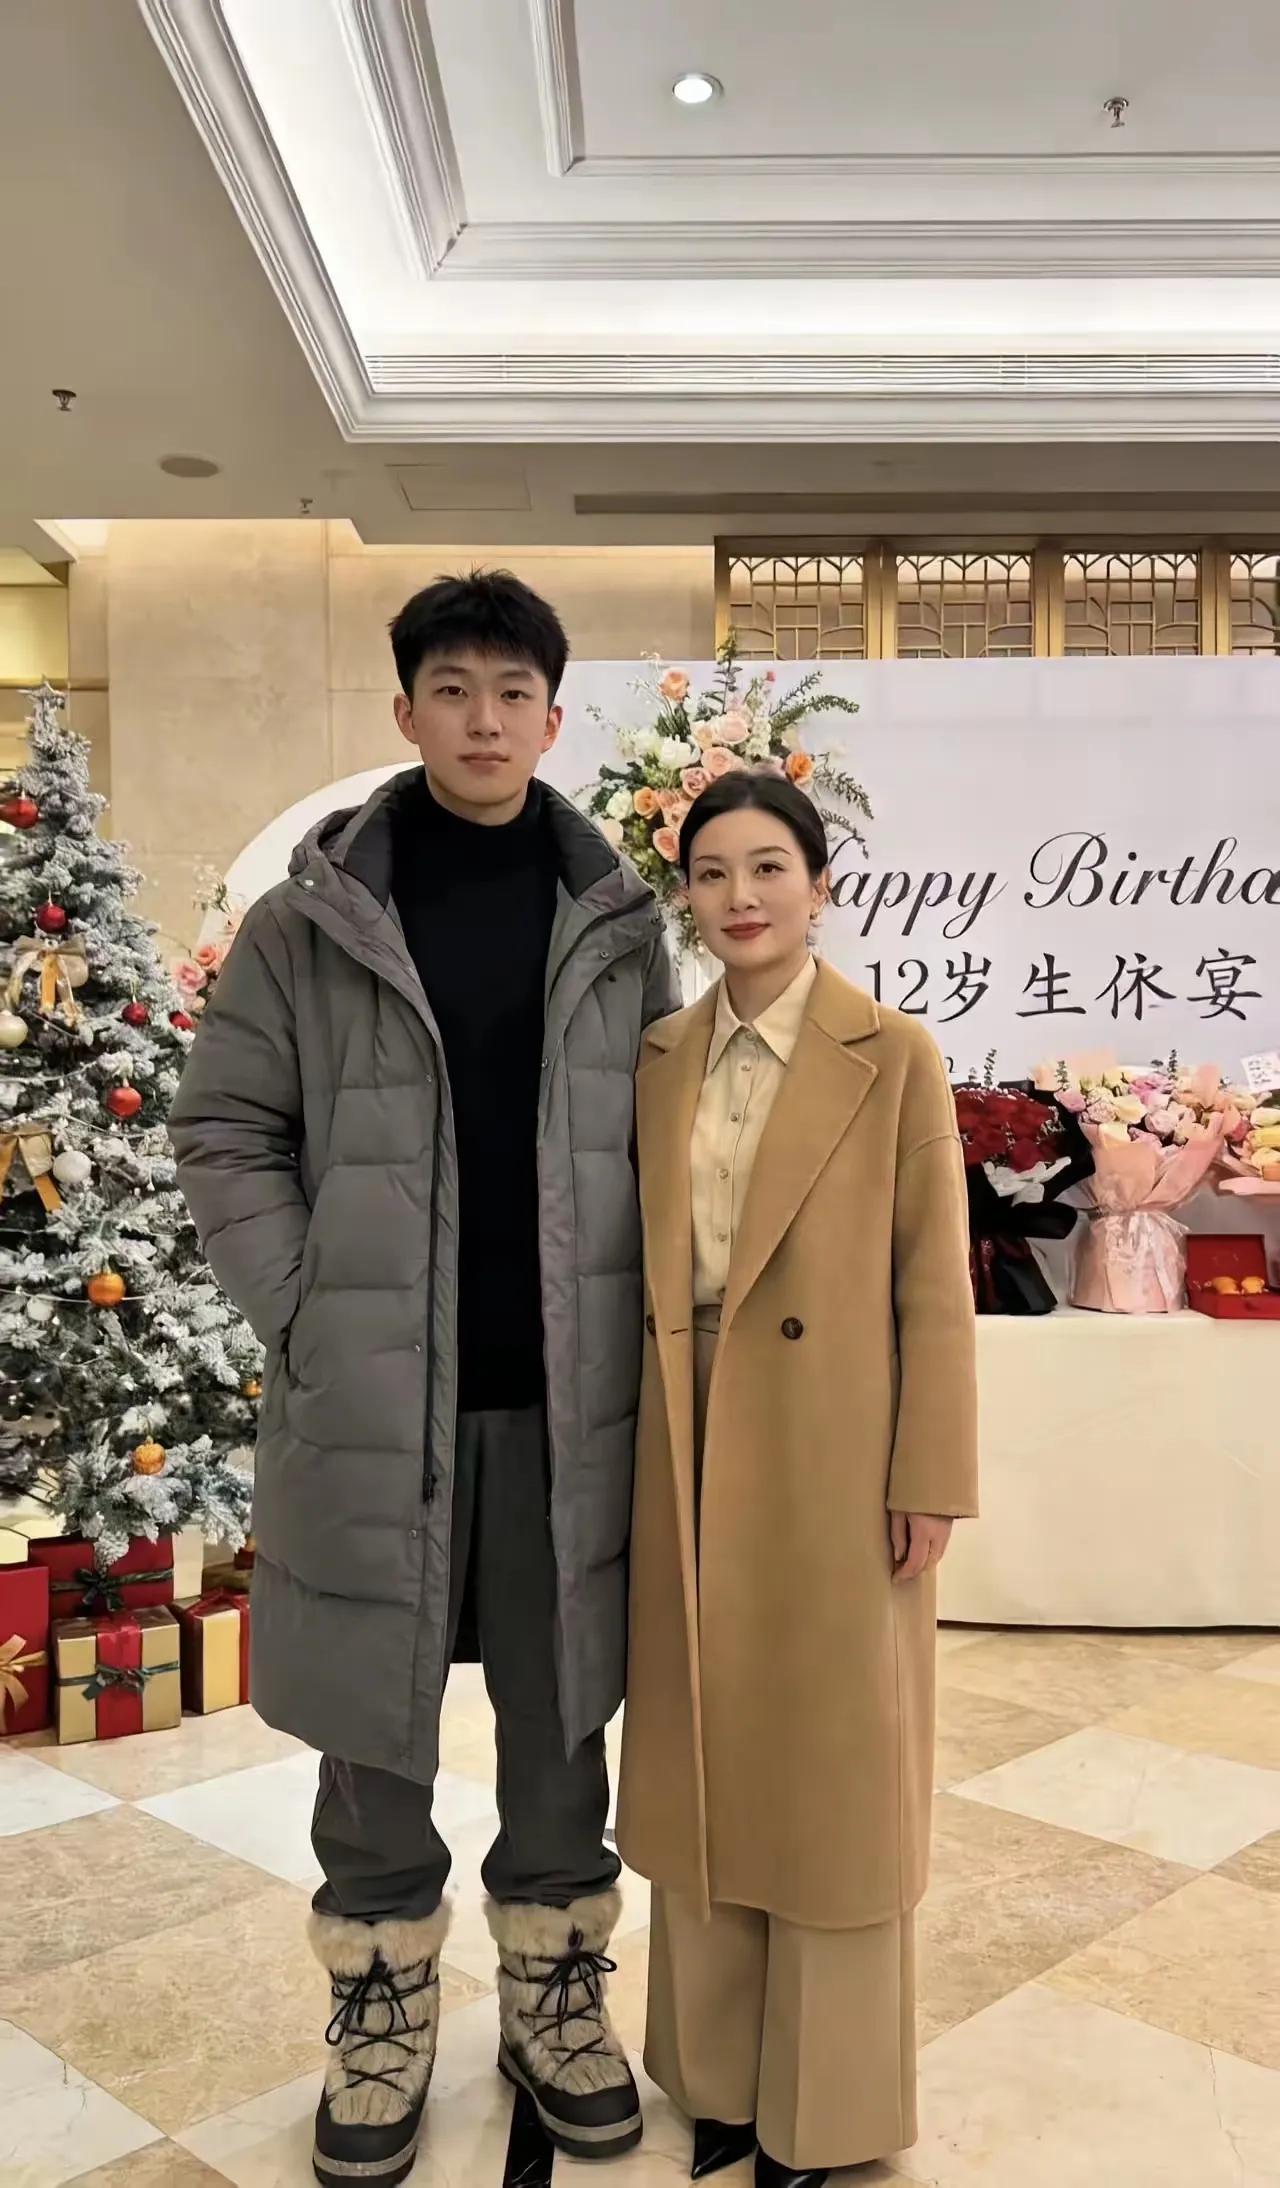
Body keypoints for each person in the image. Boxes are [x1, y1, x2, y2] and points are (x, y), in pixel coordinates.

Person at [170, 571, 678, 2188]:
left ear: (552, 716)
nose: (483, 719)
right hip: (374, 1391)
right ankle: (379, 2007)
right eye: (451, 689)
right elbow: (224, 1126)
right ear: (405, 713)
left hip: (567, 1399)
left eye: (512, 692)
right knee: (368, 1723)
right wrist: (305, 1307)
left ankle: (555, 1994)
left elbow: (664, 1142)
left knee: (560, 1714)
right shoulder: (310, 923)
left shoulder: (617, 925)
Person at [616, 771, 978, 2188]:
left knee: (834, 1765)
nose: (741, 896)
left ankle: (827, 2107)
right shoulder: (660, 1056)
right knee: (706, 1743)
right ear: (687, 897)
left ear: (821, 887)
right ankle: (714, 2077)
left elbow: (934, 1282)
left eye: (770, 867)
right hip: (681, 1427)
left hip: (837, 1438)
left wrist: (928, 1471)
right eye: (712, 873)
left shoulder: (894, 1054)